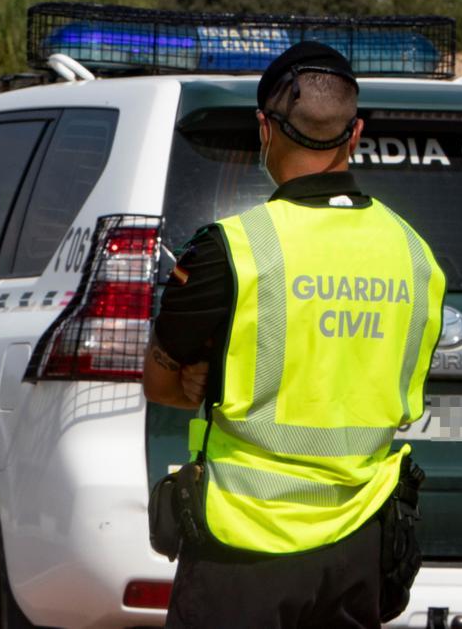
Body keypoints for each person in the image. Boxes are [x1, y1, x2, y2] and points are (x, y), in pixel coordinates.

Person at [144, 41, 445, 628]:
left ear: (265, 128)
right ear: (354, 134)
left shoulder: (230, 249)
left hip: (243, 547)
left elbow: (162, 383)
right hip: (360, 547)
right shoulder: (415, 255)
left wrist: (200, 382)